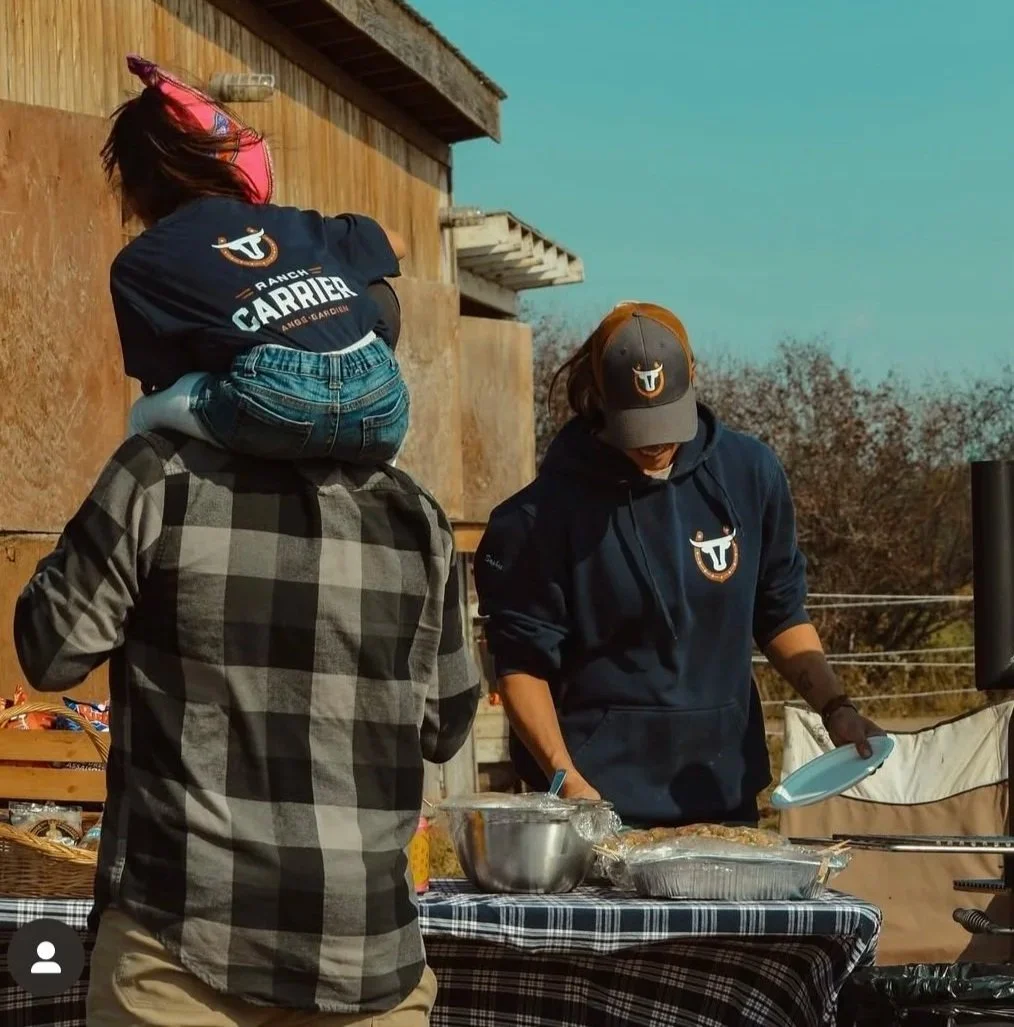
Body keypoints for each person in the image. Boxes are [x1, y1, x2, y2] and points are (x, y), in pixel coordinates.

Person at [14, 429, 478, 1024]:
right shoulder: (415, 515)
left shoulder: (158, 478)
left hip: (178, 958)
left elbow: (50, 649)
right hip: (362, 955)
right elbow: (447, 724)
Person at [474, 301, 883, 828]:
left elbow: (780, 612)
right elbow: (522, 667)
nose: (656, 442)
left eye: (668, 420)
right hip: (594, 807)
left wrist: (837, 707)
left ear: (692, 376)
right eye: (638, 426)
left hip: (721, 794)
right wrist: (566, 779)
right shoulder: (538, 517)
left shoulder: (750, 475)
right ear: (600, 397)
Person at [104, 55, 410, 463]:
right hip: (382, 397)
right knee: (377, 292)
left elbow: (162, 375)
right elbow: (397, 243)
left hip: (273, 403)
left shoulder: (138, 263)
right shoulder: (291, 224)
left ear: (135, 188)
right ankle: (380, 472)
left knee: (143, 414)